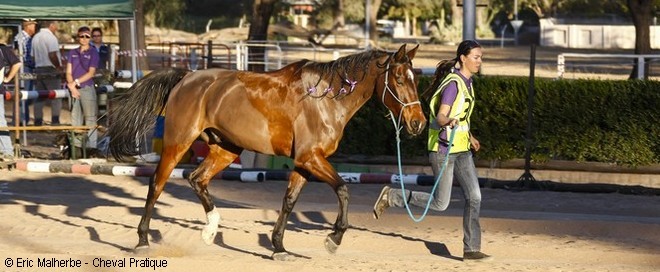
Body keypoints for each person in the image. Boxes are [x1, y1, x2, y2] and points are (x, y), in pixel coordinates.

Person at [372, 40, 491, 262]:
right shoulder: (453, 84)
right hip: (443, 150)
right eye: (476, 57)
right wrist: (449, 122)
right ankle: (393, 196)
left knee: (475, 196)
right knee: (440, 203)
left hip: (462, 148)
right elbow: (441, 116)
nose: (479, 61)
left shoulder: (468, 82)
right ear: (463, 58)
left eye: (480, 57)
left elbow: (461, 116)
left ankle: (471, 249)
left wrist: (470, 136)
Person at [66, 26, 99, 151]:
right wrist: (72, 87)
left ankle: (92, 147)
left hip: (86, 88)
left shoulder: (93, 52)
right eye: (82, 36)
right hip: (73, 89)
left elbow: (91, 73)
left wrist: (76, 82)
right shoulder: (72, 53)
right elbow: (68, 72)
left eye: (87, 36)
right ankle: (77, 148)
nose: (84, 39)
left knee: (90, 118)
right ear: (78, 37)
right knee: (76, 118)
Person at [31, 20, 62, 126]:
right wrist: (58, 66)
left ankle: (38, 121)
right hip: (50, 69)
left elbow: (33, 56)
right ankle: (55, 120)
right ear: (51, 25)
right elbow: (52, 54)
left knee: (39, 96)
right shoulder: (51, 37)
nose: (57, 27)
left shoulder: (35, 37)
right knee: (56, 96)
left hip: (38, 68)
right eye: (56, 25)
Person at [0, 43, 22, 161]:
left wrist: (8, 78)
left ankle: (7, 151)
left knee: (0, 121)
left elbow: (17, 63)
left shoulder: (2, 49)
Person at [14, 19, 37, 125]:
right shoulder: (20, 38)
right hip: (24, 68)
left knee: (26, 94)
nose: (34, 28)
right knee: (23, 94)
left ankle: (24, 119)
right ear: (28, 26)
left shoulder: (27, 38)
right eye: (33, 25)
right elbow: (17, 54)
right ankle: (20, 120)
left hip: (28, 67)